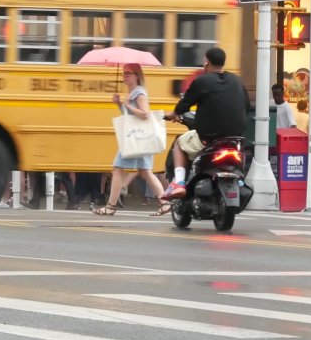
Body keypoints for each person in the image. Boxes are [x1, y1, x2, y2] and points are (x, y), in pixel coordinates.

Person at [161, 47, 249, 200]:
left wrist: (172, 114)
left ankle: (180, 183)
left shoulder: (202, 81)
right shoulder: (237, 81)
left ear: (206, 63)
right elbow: (247, 106)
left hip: (209, 139)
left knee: (179, 144)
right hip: (235, 139)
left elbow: (183, 105)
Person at [95, 63, 170, 216]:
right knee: (145, 172)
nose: (124, 76)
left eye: (128, 73)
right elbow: (129, 116)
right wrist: (119, 104)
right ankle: (165, 203)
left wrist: (127, 105)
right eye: (123, 73)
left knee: (117, 170)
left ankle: (110, 206)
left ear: (137, 75)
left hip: (136, 137)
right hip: (138, 137)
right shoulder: (132, 93)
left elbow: (145, 114)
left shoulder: (139, 93)